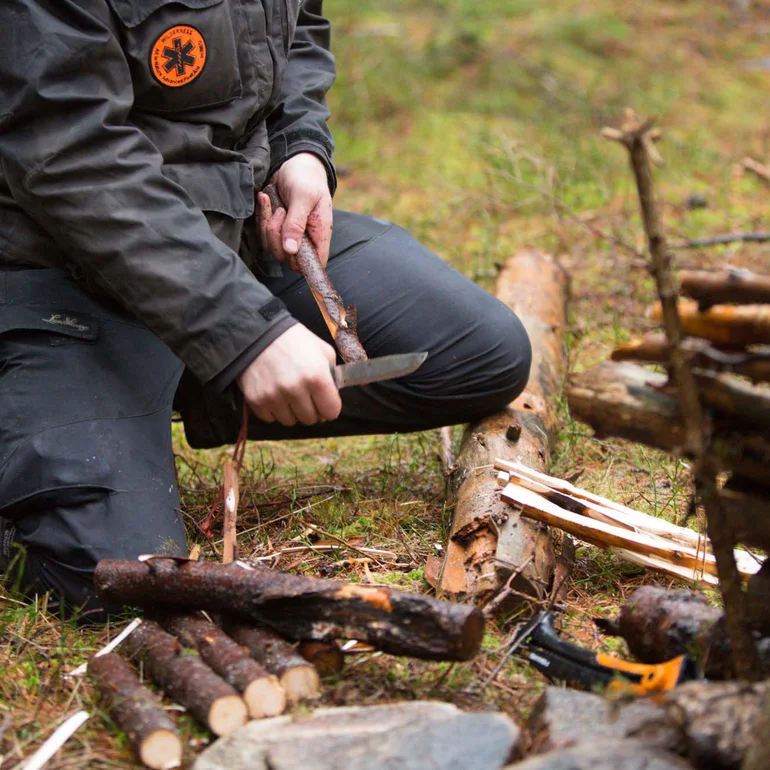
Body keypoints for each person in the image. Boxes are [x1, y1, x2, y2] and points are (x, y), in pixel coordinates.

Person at [0, 0, 532, 620]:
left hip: (235, 231)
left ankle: (165, 393)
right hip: (60, 267)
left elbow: (296, 28)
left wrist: (297, 147)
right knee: (114, 576)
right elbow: (67, 148)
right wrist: (243, 335)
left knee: (480, 355)